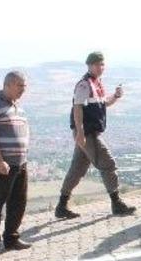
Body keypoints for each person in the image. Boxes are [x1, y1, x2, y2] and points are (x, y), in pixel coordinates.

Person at [55, 51, 135, 219]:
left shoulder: (96, 84)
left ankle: (61, 206)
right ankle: (116, 203)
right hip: (88, 133)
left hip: (89, 133)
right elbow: (77, 108)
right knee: (108, 164)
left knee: (77, 170)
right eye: (97, 64)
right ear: (90, 65)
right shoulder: (84, 85)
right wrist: (80, 132)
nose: (101, 67)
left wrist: (116, 96)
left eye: (102, 64)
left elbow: (104, 103)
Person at [0, 71, 32, 261]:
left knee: (18, 202)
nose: (23, 90)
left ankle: (11, 238)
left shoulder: (17, 106)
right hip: (1, 164)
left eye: (24, 86)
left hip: (20, 163)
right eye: (20, 86)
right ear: (8, 85)